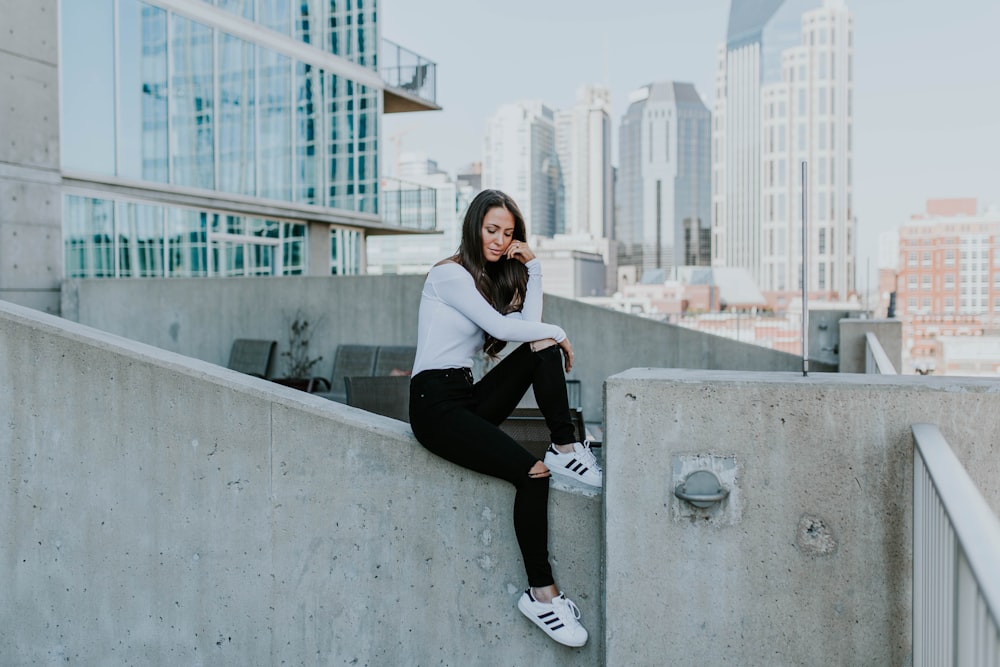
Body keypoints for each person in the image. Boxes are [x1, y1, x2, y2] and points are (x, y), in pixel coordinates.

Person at [408, 189, 601, 648]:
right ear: (474, 225)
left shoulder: (489, 281)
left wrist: (533, 269)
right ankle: (542, 595)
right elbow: (503, 330)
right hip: (433, 404)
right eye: (491, 230)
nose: (498, 241)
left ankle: (565, 446)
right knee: (531, 475)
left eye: (508, 234)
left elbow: (529, 332)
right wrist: (559, 332)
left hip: (466, 395)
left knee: (543, 347)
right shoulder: (449, 274)